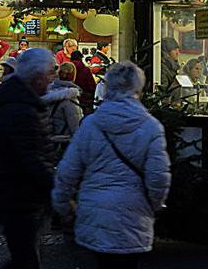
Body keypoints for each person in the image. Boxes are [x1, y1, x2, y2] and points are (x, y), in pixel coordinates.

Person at [52, 62, 171, 269]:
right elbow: (158, 177)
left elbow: (67, 171)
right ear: (138, 89)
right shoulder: (151, 127)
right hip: (134, 211)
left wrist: (64, 206)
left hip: (93, 212)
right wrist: (153, 205)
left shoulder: (91, 124)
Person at [0, 48, 57, 269]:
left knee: (23, 256)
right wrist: (57, 190)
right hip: (18, 195)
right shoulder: (21, 110)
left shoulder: (19, 103)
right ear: (37, 78)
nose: (52, 78)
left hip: (16, 193)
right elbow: (32, 158)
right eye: (50, 73)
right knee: (26, 259)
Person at [43, 63, 83, 139]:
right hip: (63, 142)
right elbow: (76, 129)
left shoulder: (46, 94)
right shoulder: (70, 99)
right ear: (72, 76)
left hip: (49, 140)